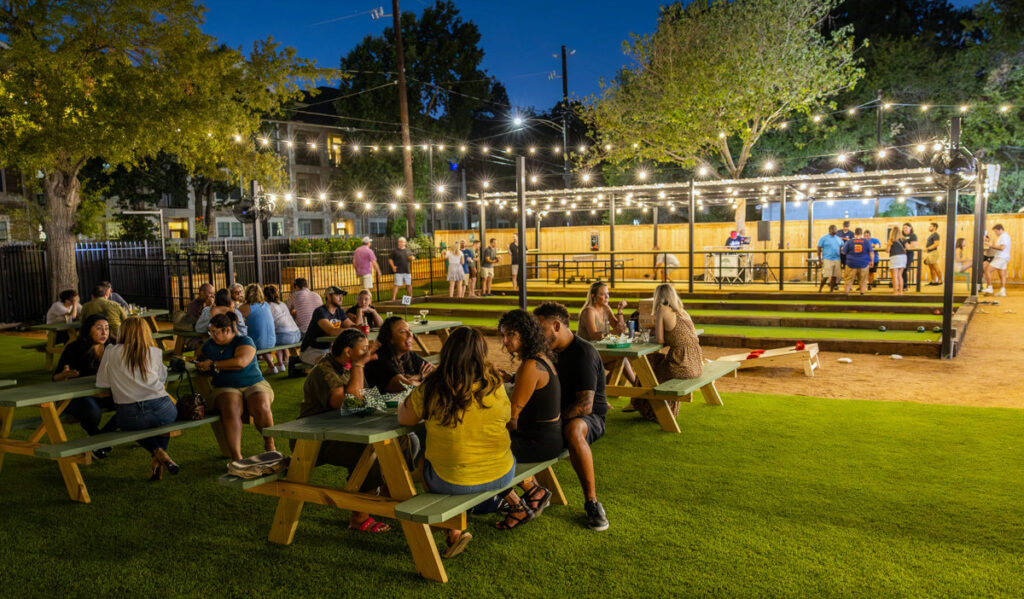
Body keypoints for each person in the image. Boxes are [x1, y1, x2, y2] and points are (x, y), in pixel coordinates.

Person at [398, 327, 523, 556]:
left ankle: (452, 529)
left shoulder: (434, 386)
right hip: (503, 474)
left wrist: (421, 385)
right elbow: (505, 419)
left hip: (452, 481)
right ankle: (511, 502)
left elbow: (404, 418)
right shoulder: (494, 382)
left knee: (426, 457)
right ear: (482, 353)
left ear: (447, 352)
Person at [298, 329, 397, 534]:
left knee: (400, 442)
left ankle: (388, 498)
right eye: (363, 349)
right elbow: (349, 403)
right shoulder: (324, 370)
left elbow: (365, 397)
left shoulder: (348, 367)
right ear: (347, 351)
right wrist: (360, 365)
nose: (367, 352)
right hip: (314, 439)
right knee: (370, 452)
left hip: (343, 431)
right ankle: (359, 517)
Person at [532, 302, 609, 531]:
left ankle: (592, 503)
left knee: (573, 429)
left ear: (556, 325)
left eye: (540, 330)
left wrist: (552, 421)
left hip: (589, 419)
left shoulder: (583, 352)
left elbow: (584, 406)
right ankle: (532, 492)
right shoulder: (550, 352)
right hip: (557, 413)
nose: (538, 336)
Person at [495, 310, 563, 528]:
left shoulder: (530, 366)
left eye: (511, 334)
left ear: (525, 334)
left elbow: (512, 420)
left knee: (482, 454)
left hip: (538, 443)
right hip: (551, 437)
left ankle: (518, 507)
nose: (506, 341)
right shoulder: (542, 359)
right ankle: (534, 491)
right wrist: (511, 379)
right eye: (503, 335)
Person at [95, 317, 179, 481]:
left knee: (132, 426)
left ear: (122, 332)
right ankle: (159, 458)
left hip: (130, 414)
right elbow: (162, 378)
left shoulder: (111, 351)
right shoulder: (154, 351)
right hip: (164, 409)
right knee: (161, 425)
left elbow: (102, 382)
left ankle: (158, 452)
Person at [195, 312, 276, 462]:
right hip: (225, 386)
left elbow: (241, 362)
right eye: (210, 332)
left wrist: (214, 364)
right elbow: (198, 357)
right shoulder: (209, 345)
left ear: (227, 330)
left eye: (215, 332)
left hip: (253, 382)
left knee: (261, 404)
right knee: (230, 407)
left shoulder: (244, 341)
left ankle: (270, 446)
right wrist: (200, 363)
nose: (212, 335)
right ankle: (237, 458)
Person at [634, 284, 704, 421]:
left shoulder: (662, 310)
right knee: (656, 362)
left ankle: (646, 408)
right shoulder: (683, 312)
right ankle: (647, 406)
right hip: (696, 363)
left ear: (658, 297)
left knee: (649, 363)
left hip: (682, 366)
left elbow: (660, 340)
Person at [52, 314, 118, 457]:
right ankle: (99, 442)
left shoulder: (113, 346)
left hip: (105, 393)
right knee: (92, 412)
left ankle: (99, 440)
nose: (104, 332)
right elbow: (55, 377)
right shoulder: (74, 348)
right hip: (78, 396)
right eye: (99, 328)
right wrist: (64, 375)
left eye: (107, 328)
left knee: (129, 406)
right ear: (88, 330)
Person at [578, 281, 637, 387]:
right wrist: (614, 332)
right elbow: (593, 335)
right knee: (622, 357)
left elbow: (620, 328)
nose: (607, 297)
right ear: (593, 296)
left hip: (601, 350)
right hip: (587, 352)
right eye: (602, 294)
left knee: (619, 364)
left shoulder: (606, 308)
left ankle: (637, 390)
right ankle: (638, 387)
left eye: (608, 294)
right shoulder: (589, 311)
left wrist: (620, 311)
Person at [365, 316, 434, 393]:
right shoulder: (379, 358)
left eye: (409, 330)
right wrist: (421, 376)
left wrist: (416, 378)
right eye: (403, 332)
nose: (410, 335)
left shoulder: (408, 355)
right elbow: (409, 386)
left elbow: (437, 373)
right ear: (390, 338)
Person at [297, 286, 353, 366]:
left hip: (328, 350)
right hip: (311, 350)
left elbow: (352, 325)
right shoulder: (320, 311)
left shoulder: (339, 311)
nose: (341, 298)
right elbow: (331, 331)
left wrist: (360, 316)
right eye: (337, 295)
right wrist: (352, 330)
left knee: (350, 358)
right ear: (328, 296)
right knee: (330, 363)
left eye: (342, 295)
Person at [239, 284, 279, 373]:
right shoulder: (266, 305)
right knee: (259, 334)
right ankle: (272, 366)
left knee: (242, 338)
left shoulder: (244, 307)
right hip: (272, 341)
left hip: (259, 343)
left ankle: (253, 369)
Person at [264, 284, 301, 375]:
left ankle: (276, 365)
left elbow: (269, 323)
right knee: (279, 337)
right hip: (297, 334)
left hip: (285, 336)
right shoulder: (282, 304)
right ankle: (281, 364)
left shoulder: (267, 306)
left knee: (268, 340)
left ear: (264, 296)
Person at [841, 228, 872, 294]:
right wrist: (871, 261)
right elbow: (871, 253)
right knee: (863, 280)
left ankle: (846, 295)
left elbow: (843, 252)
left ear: (855, 233)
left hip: (851, 263)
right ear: (861, 234)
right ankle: (862, 294)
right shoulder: (866, 241)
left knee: (848, 280)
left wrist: (842, 248)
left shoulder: (849, 241)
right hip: (864, 263)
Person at [983, 224, 1011, 296]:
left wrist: (990, 245)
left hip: (1000, 257)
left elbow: (1002, 247)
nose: (995, 233)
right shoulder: (1003, 236)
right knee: (1002, 274)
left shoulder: (1004, 236)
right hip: (1004, 257)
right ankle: (1002, 291)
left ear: (1001, 229)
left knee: (986, 270)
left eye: (996, 231)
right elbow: (999, 247)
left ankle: (990, 287)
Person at [816, 225, 842, 293]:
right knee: (826, 276)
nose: (835, 230)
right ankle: (820, 289)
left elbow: (841, 248)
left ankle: (831, 290)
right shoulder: (823, 238)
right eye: (833, 229)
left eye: (836, 229)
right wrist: (819, 260)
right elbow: (819, 249)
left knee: (835, 276)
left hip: (837, 259)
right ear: (829, 230)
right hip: (827, 259)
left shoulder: (839, 239)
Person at [389, 237, 415, 301]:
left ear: (405, 243)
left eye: (402, 242)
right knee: (397, 285)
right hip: (398, 271)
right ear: (398, 243)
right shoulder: (395, 251)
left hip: (407, 271)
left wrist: (412, 258)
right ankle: (393, 298)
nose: (401, 243)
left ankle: (411, 297)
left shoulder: (408, 250)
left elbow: (412, 257)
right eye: (400, 242)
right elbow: (390, 259)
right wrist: (393, 267)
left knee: (409, 284)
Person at [886, 226, 907, 296]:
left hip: (895, 256)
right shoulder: (903, 239)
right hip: (903, 257)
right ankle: (901, 291)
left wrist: (888, 245)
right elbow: (908, 247)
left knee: (895, 276)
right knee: (900, 276)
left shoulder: (891, 240)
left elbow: (887, 250)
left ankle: (895, 292)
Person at [901, 223, 918, 289]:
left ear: (910, 228)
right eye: (903, 228)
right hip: (901, 254)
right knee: (900, 269)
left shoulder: (913, 235)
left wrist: (906, 247)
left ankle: (904, 286)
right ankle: (901, 285)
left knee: (905, 269)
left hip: (909, 254)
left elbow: (913, 245)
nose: (904, 229)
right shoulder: (901, 236)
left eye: (906, 227)